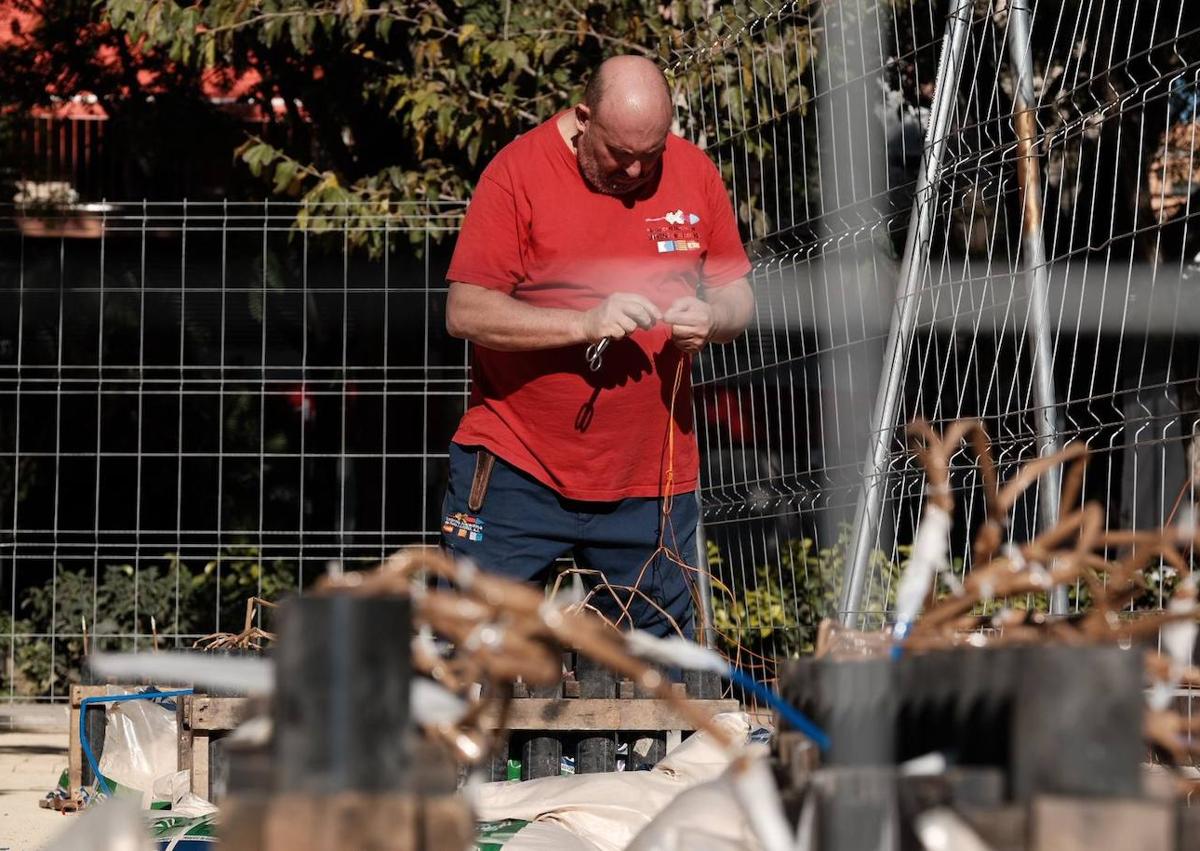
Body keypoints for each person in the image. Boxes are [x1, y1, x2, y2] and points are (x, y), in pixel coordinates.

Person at [441, 55, 754, 638]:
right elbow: (466, 311)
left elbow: (738, 294)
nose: (636, 169)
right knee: (474, 654)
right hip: (518, 466)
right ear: (583, 118)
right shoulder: (516, 173)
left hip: (650, 476)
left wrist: (712, 319)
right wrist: (585, 322)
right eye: (619, 153)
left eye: (651, 153)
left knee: (660, 671)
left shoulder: (696, 174)